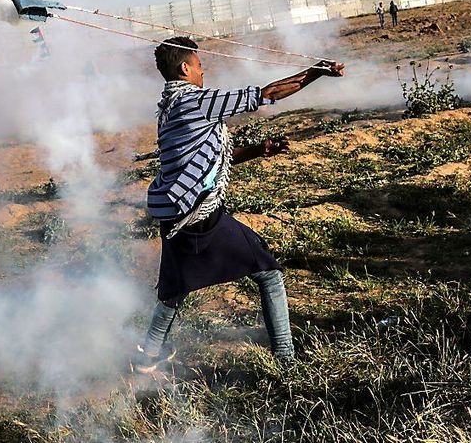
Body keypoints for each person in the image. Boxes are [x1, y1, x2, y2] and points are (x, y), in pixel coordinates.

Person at [134, 36, 345, 372]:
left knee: (174, 288)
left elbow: (208, 157)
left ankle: (148, 356)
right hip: (200, 216)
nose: (204, 72)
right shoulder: (197, 102)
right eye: (200, 65)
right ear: (186, 68)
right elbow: (267, 94)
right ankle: (287, 362)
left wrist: (258, 150)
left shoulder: (168, 109)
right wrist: (317, 71)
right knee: (269, 273)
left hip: (173, 213)